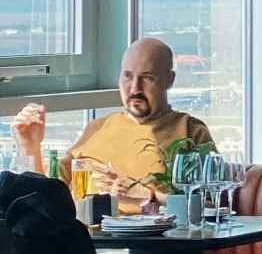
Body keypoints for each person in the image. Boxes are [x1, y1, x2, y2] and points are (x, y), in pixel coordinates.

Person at [11, 37, 215, 206]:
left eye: (147, 77)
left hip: (152, 245)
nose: (135, 88)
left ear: (169, 80)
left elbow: (212, 206)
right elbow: (46, 200)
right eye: (128, 76)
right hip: (88, 243)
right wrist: (31, 147)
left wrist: (147, 195)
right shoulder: (97, 129)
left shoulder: (188, 130)